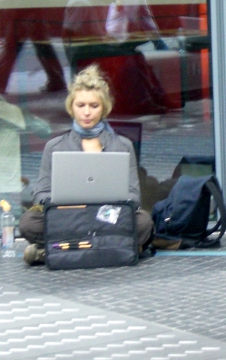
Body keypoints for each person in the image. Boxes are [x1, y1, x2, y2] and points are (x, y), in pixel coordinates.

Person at [18, 64, 155, 265]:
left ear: (104, 108)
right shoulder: (55, 146)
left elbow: (133, 196)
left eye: (94, 106)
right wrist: (71, 206)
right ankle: (111, 247)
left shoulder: (122, 145)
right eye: (81, 105)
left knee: (143, 222)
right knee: (29, 223)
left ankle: (53, 250)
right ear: (71, 107)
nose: (87, 112)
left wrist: (101, 210)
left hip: (106, 216)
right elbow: (40, 194)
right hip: (69, 216)